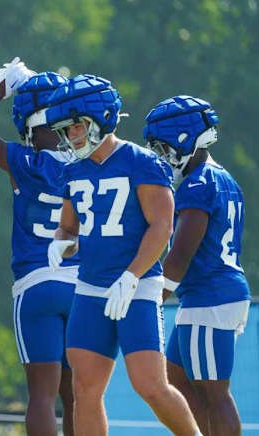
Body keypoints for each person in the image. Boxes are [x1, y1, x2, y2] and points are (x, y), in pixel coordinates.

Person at [45, 74, 201, 436]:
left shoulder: (141, 162)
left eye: (76, 127)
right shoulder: (73, 171)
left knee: (150, 385)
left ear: (101, 119)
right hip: (90, 288)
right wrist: (61, 242)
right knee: (84, 390)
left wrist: (131, 276)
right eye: (65, 131)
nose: (70, 137)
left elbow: (162, 227)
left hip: (137, 284)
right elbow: (69, 228)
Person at [0, 65, 75, 436]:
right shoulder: (92, 165)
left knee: (42, 396)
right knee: (79, 395)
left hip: (37, 284)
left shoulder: (25, 161)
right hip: (83, 286)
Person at [144, 95, 249, 436]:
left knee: (214, 393)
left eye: (163, 147)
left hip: (210, 295)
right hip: (212, 293)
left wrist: (157, 291)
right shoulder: (222, 177)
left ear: (184, 138)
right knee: (175, 376)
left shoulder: (198, 182)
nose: (161, 156)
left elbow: (184, 248)